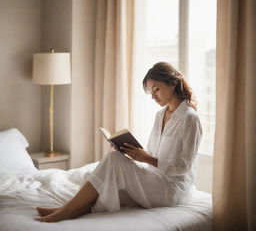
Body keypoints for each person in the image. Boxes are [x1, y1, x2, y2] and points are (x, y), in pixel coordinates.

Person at [35, 62, 202, 222]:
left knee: (113, 161)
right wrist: (131, 151)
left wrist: (146, 159)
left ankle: (65, 212)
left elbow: (184, 166)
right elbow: (153, 153)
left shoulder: (189, 118)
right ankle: (70, 209)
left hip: (172, 189)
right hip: (154, 179)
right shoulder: (160, 115)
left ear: (172, 84)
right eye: (151, 92)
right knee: (104, 180)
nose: (153, 96)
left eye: (156, 89)